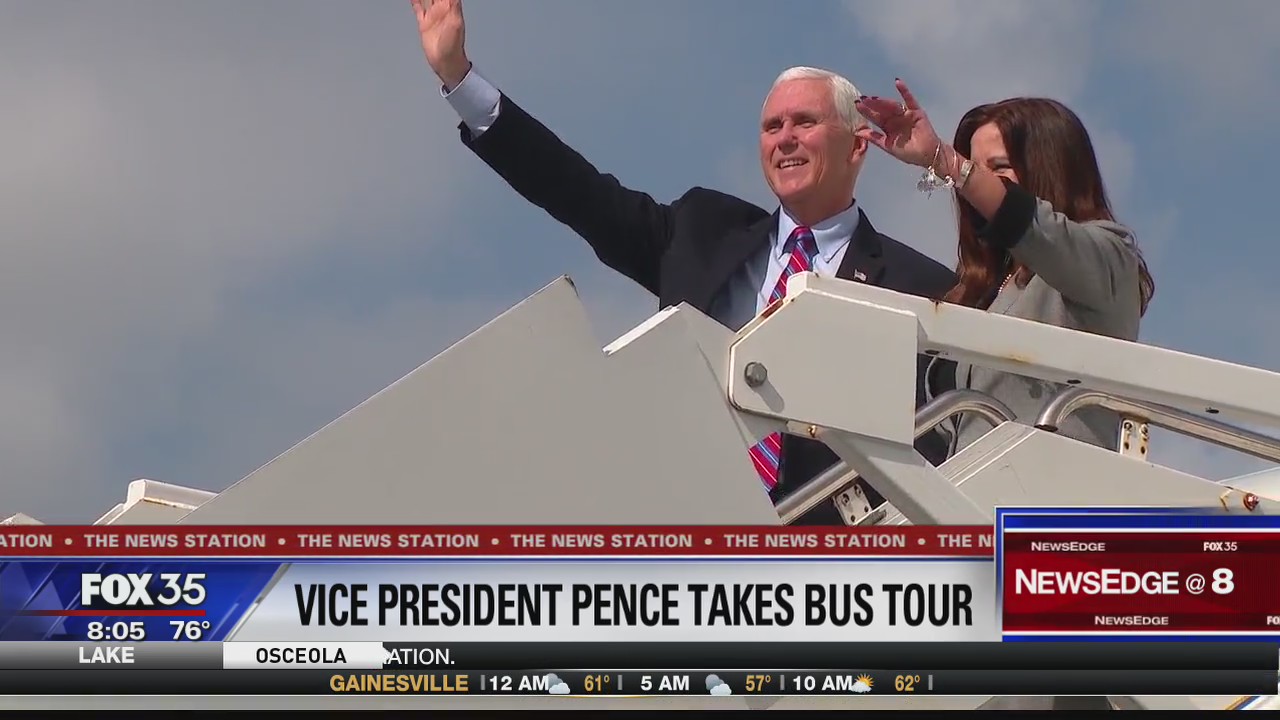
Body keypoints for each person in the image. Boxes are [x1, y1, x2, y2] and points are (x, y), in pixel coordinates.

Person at [410, 0, 958, 523]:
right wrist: (460, 79)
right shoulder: (701, 231)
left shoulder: (919, 286)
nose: (785, 138)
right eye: (772, 127)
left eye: (804, 122)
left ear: (857, 145)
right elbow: (575, 190)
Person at [855, 81, 1155, 455]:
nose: (972, 182)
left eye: (999, 167)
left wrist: (944, 160)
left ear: (1051, 170)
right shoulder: (982, 290)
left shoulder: (1107, 260)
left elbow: (1041, 230)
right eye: (972, 168)